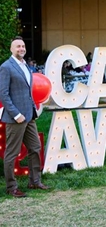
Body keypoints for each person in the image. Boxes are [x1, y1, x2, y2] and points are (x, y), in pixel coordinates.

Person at [0, 36, 49, 198]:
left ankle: (34, 181)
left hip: (29, 116)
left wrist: (29, 111)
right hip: (16, 118)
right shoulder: (6, 67)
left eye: (23, 46)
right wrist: (16, 114)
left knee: (35, 148)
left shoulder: (26, 66)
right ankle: (11, 187)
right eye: (17, 46)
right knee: (12, 153)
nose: (21, 48)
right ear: (11, 49)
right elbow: (3, 94)